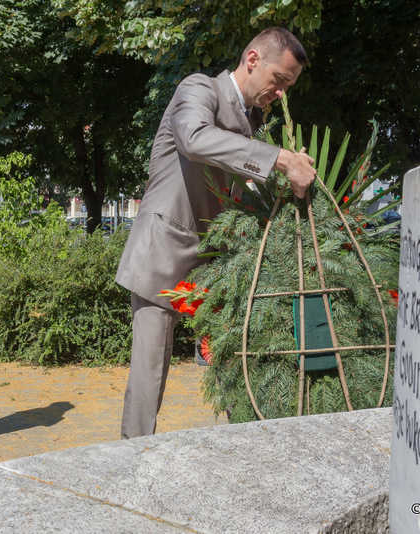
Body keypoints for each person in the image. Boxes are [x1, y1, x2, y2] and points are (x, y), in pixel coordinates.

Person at [115, 27, 317, 439]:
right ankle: (132, 459)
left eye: (288, 86)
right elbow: (195, 140)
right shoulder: (198, 89)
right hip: (163, 252)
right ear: (253, 59)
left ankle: (239, 447)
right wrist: (280, 159)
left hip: (216, 264)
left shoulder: (253, 120)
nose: (281, 93)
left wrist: (285, 183)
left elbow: (239, 184)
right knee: (150, 375)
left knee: (232, 360)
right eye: (279, 79)